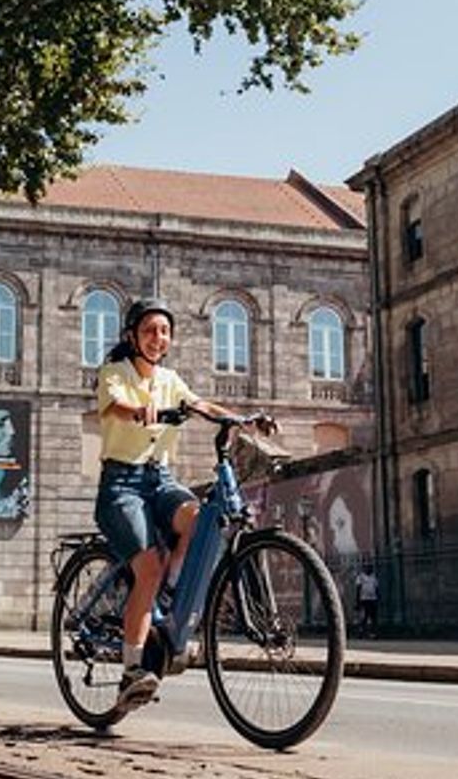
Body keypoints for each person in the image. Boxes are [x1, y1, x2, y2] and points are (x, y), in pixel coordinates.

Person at [92, 297, 258, 713]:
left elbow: (200, 404)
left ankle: (166, 594)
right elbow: (114, 405)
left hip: (160, 480)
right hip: (122, 484)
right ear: (132, 335)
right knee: (147, 568)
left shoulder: (171, 379)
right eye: (149, 330)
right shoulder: (115, 373)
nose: (157, 338)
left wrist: (241, 420)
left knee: (202, 520)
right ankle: (133, 671)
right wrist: (139, 409)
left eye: (164, 331)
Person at [353, 563, 380, 637]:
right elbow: (358, 589)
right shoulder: (361, 577)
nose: (369, 569)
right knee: (364, 616)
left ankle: (373, 633)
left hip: (373, 599)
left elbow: (376, 588)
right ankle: (361, 631)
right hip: (364, 599)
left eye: (370, 567)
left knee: (373, 617)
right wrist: (358, 601)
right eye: (367, 567)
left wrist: (377, 598)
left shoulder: (373, 577)